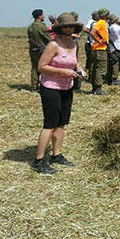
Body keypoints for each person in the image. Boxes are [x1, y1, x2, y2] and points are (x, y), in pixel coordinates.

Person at [31, 13, 85, 174]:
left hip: (67, 88)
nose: (69, 28)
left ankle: (57, 154)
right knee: (50, 124)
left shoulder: (74, 44)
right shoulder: (53, 45)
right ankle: (39, 160)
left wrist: (80, 69)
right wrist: (62, 71)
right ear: (60, 29)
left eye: (71, 26)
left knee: (62, 123)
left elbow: (75, 62)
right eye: (66, 26)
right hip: (51, 87)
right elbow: (41, 66)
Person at [27, 9, 52, 91]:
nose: (44, 16)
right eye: (43, 15)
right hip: (42, 51)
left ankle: (34, 87)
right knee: (45, 68)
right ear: (40, 16)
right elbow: (49, 39)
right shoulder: (41, 26)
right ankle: (45, 86)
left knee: (34, 68)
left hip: (33, 50)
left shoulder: (30, 26)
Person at [89, 8, 110, 95]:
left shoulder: (102, 22)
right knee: (100, 69)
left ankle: (95, 88)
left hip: (98, 49)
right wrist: (99, 41)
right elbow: (92, 32)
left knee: (96, 68)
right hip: (100, 49)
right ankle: (98, 88)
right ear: (105, 15)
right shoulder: (101, 22)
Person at [106, 14, 120, 85]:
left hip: (110, 48)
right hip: (117, 48)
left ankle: (108, 78)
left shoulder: (109, 28)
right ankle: (114, 79)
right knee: (116, 64)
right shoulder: (119, 28)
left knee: (110, 63)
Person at [83, 11, 98, 75]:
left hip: (93, 43)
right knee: (91, 60)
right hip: (90, 43)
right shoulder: (91, 21)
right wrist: (92, 33)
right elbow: (85, 29)